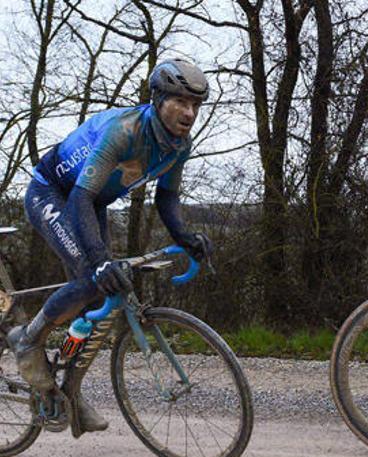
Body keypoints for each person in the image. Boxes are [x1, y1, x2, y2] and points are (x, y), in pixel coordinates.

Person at [5, 59, 213, 433]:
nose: (189, 112)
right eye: (181, 102)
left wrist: (186, 237)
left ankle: (69, 390)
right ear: (159, 98)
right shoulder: (125, 131)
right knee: (91, 278)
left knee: (101, 298)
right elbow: (80, 198)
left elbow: (167, 199)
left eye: (196, 105)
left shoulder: (179, 146)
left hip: (91, 201)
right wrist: (100, 260)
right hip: (54, 194)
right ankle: (27, 339)